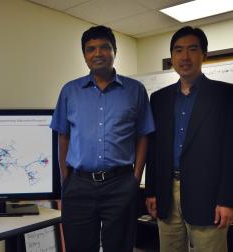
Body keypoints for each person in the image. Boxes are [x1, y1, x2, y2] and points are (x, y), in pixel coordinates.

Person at [50, 25, 154, 252]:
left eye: (105, 47)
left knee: (119, 247)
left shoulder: (135, 90)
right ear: (85, 56)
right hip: (79, 185)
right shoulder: (70, 91)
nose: (98, 53)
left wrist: (135, 178)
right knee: (79, 247)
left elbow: (143, 136)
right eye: (91, 49)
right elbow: (63, 136)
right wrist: (66, 179)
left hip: (120, 184)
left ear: (114, 51)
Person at [145, 26, 233, 252]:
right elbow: (154, 149)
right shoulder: (159, 99)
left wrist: (227, 199)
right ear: (172, 56)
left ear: (204, 54)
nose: (185, 57)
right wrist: (152, 192)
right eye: (178, 50)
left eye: (192, 49)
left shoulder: (225, 95)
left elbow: (230, 151)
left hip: (209, 195)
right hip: (166, 194)